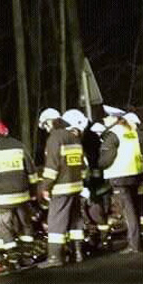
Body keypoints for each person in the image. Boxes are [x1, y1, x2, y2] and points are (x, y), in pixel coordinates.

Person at [0, 120, 38, 265]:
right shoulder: (19, 145)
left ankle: (13, 257)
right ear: (5, 131)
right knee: (25, 224)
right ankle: (28, 254)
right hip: (22, 195)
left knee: (5, 226)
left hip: (2, 198)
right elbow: (32, 172)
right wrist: (33, 192)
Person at [37, 108, 88, 267]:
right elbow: (82, 164)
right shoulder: (74, 137)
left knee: (56, 221)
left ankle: (55, 257)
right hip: (76, 185)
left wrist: (45, 186)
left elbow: (52, 167)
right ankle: (78, 253)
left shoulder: (54, 138)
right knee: (75, 219)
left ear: (49, 122)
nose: (46, 129)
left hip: (60, 187)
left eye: (45, 125)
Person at [97, 106, 143, 254]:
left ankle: (134, 245)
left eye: (107, 117)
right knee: (134, 209)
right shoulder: (130, 131)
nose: (104, 119)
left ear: (115, 118)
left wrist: (99, 165)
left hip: (120, 176)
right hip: (134, 174)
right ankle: (137, 242)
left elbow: (106, 159)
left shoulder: (113, 134)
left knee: (128, 211)